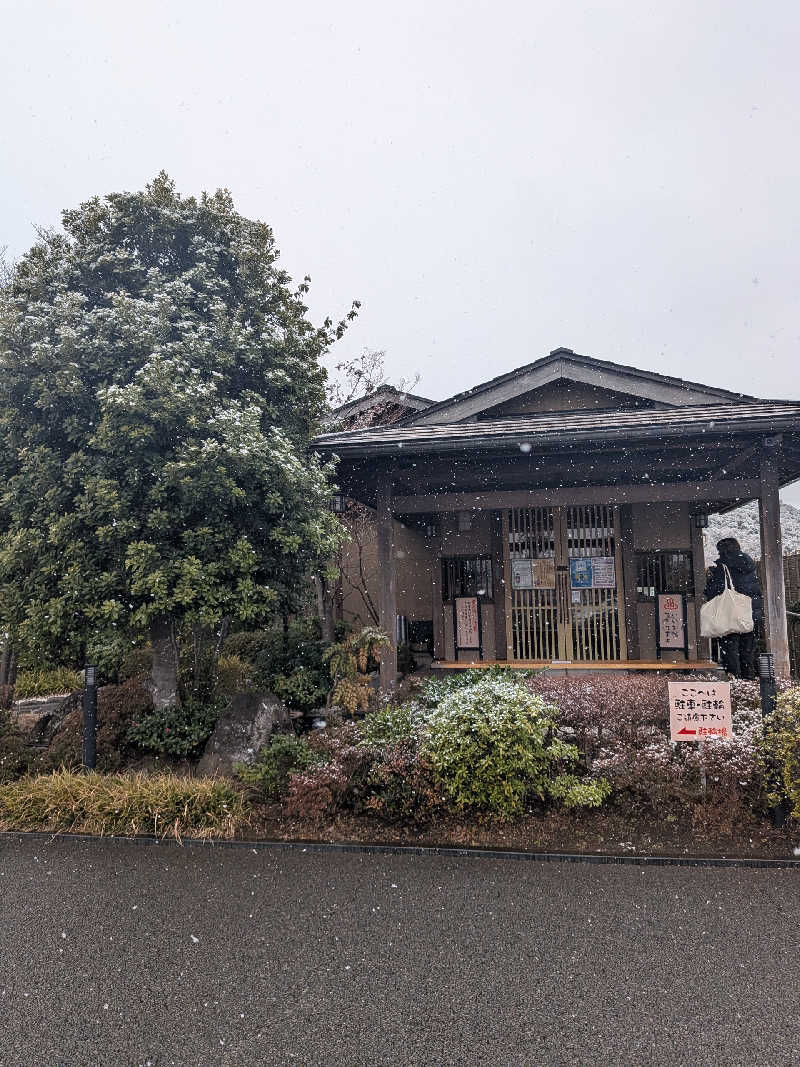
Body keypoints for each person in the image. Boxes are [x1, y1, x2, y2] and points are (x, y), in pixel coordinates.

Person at [703, 536, 763, 679]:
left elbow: (713, 591)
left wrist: (711, 579)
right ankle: (748, 681)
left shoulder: (724, 567)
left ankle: (734, 681)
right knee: (748, 649)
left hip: (729, 614)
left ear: (723, 551)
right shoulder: (749, 566)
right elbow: (754, 591)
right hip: (750, 614)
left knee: (730, 649)